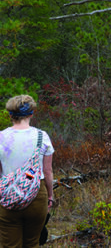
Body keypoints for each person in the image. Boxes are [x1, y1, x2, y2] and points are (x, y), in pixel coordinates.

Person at [0, 95, 55, 247]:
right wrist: (50, 195)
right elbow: (48, 171)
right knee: (32, 243)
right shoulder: (41, 136)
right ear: (31, 113)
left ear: (10, 114)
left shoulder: (1, 137)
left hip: (7, 197)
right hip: (37, 195)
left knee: (9, 245)